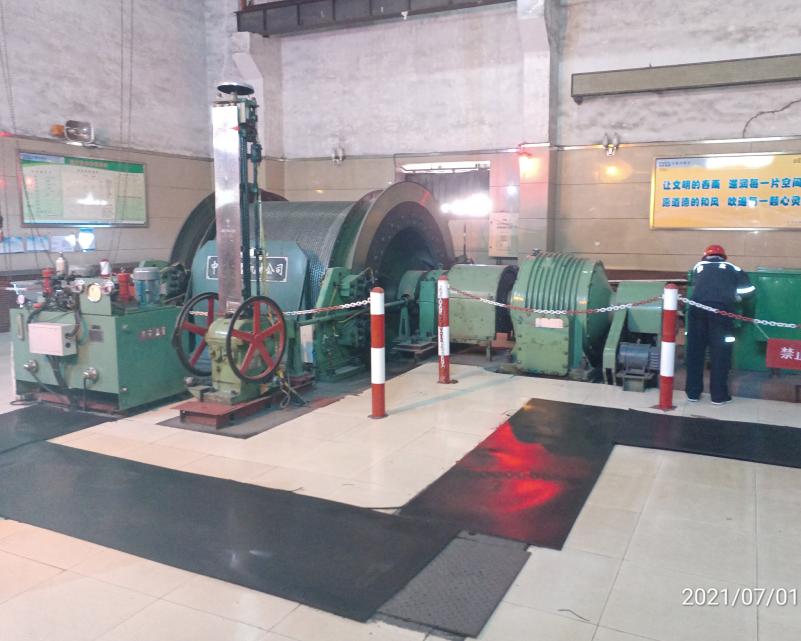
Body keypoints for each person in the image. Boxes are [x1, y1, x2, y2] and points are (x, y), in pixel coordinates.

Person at [685, 244, 755, 405]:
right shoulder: (733, 268)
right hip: (721, 313)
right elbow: (749, 291)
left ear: (705, 256)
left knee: (695, 353)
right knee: (720, 354)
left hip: (697, 311)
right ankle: (718, 396)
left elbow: (698, 285)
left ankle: (693, 394)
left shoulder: (698, 266)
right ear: (723, 256)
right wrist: (736, 296)